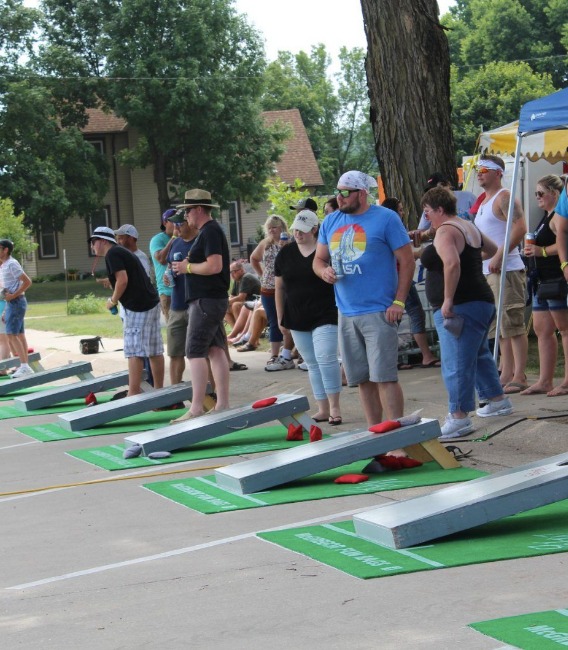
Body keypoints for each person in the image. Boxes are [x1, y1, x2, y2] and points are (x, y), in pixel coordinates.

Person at [314, 170, 415, 427]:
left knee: (385, 377)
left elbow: (407, 260)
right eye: (337, 192)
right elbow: (318, 259)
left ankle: (397, 436)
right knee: (362, 379)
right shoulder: (331, 222)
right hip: (346, 312)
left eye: (345, 192)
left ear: (361, 193)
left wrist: (399, 301)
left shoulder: (386, 218)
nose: (339, 197)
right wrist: (323, 271)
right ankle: (376, 434)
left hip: (379, 310)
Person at [420, 187, 513, 440]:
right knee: (479, 353)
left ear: (439, 209)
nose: (427, 217)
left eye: (428, 212)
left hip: (462, 304)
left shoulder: (445, 230)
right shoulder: (466, 225)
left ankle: (459, 416)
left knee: (456, 362)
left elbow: (452, 264)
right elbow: (491, 248)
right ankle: (496, 399)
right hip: (480, 300)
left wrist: (448, 299)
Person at [275, 210, 342, 424]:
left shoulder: (326, 250)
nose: (297, 233)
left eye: (302, 230)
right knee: (312, 363)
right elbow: (279, 288)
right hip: (297, 313)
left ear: (314, 230)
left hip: (325, 312)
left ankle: (335, 407)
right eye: (295, 229)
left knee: (326, 357)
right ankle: (322, 407)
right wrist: (279, 317)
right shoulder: (285, 253)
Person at [171, 189, 230, 419]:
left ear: (198, 209)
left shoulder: (210, 232)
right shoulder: (209, 232)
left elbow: (214, 266)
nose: (186, 217)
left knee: (194, 351)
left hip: (206, 300)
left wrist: (187, 267)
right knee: (215, 350)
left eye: (187, 211)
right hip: (211, 299)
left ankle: (196, 408)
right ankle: (222, 404)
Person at [474, 155, 529, 394]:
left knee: (512, 323)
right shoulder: (484, 201)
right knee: (500, 327)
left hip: (507, 270)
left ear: (498, 173)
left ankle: (519, 374)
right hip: (490, 270)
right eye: (478, 169)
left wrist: (498, 256)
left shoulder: (504, 197)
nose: (479, 173)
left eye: (484, 169)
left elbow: (520, 227)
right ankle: (506, 372)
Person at [89, 226, 164, 396]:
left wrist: (112, 301)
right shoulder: (122, 252)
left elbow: (122, 280)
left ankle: (133, 393)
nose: (92, 246)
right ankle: (160, 393)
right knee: (154, 350)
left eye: (93, 242)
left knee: (134, 351)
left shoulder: (113, 254)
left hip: (137, 307)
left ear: (103, 241)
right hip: (151, 302)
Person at [522, 175, 568, 396]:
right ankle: (545, 380)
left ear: (555, 194)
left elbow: (563, 244)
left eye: (541, 193)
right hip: (542, 280)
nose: (537, 197)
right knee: (542, 330)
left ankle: (566, 381)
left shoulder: (558, 217)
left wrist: (540, 251)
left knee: (564, 329)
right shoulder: (545, 217)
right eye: (535, 194)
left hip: (556, 279)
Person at [382, 197, 441, 369]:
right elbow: (402, 255)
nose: (402, 212)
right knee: (413, 312)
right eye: (400, 209)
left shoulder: (387, 226)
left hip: (397, 276)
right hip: (400, 277)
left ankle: (395, 357)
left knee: (398, 317)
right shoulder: (391, 226)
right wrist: (420, 253)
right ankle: (425, 354)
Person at [250, 215, 295, 371]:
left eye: (274, 227)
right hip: (268, 287)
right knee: (273, 320)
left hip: (287, 286)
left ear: (282, 227)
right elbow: (254, 258)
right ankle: (274, 355)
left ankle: (290, 353)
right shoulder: (265, 244)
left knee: (288, 319)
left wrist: (287, 247)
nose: (271, 230)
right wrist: (262, 274)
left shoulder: (290, 241)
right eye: (269, 227)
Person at [164, 210, 199, 386]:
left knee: (201, 353)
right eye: (174, 223)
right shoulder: (175, 243)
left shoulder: (200, 241)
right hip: (176, 305)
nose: (176, 227)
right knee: (175, 353)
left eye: (180, 223)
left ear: (190, 222)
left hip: (197, 304)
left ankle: (211, 395)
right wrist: (167, 274)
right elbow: (170, 266)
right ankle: (174, 396)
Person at [0, 239, 33, 377]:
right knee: (19, 334)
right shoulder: (5, 265)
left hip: (17, 301)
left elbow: (27, 282)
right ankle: (24, 365)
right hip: (12, 303)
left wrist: (13, 296)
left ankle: (24, 366)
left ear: (5, 249)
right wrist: (7, 308)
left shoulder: (12, 263)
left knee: (11, 335)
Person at [149, 210, 177, 322]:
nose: (176, 224)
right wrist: (174, 238)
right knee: (174, 331)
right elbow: (161, 259)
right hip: (167, 293)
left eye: (178, 221)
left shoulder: (183, 238)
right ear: (165, 222)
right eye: (173, 221)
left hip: (185, 292)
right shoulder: (157, 240)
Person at [226, 261, 260, 330]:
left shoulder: (246, 277)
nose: (232, 274)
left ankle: (241, 332)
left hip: (255, 303)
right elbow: (232, 295)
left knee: (236, 305)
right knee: (225, 309)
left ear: (241, 270)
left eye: (234, 271)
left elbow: (241, 297)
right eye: (230, 272)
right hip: (246, 304)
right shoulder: (237, 280)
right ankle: (236, 332)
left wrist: (228, 302)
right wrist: (227, 301)